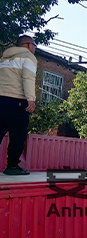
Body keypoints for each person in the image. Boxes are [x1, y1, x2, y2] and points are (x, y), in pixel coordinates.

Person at [0, 35, 38, 175]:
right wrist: (31, 99)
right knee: (18, 135)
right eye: (34, 45)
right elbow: (28, 78)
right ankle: (12, 166)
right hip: (17, 101)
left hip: (1, 99)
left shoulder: (4, 58)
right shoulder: (28, 57)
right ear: (28, 45)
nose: (35, 48)